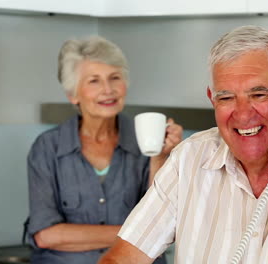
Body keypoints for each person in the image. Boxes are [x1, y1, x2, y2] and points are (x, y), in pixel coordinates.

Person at [98, 25, 268, 264]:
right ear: (211, 98)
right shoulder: (190, 157)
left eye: (258, 94)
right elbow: (124, 257)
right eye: (226, 97)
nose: (242, 114)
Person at [25, 36, 183, 264]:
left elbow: (160, 221)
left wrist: (161, 157)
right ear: (73, 95)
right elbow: (46, 235)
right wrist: (137, 235)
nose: (108, 90)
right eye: (94, 81)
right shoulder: (48, 147)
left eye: (114, 78)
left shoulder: (150, 142)